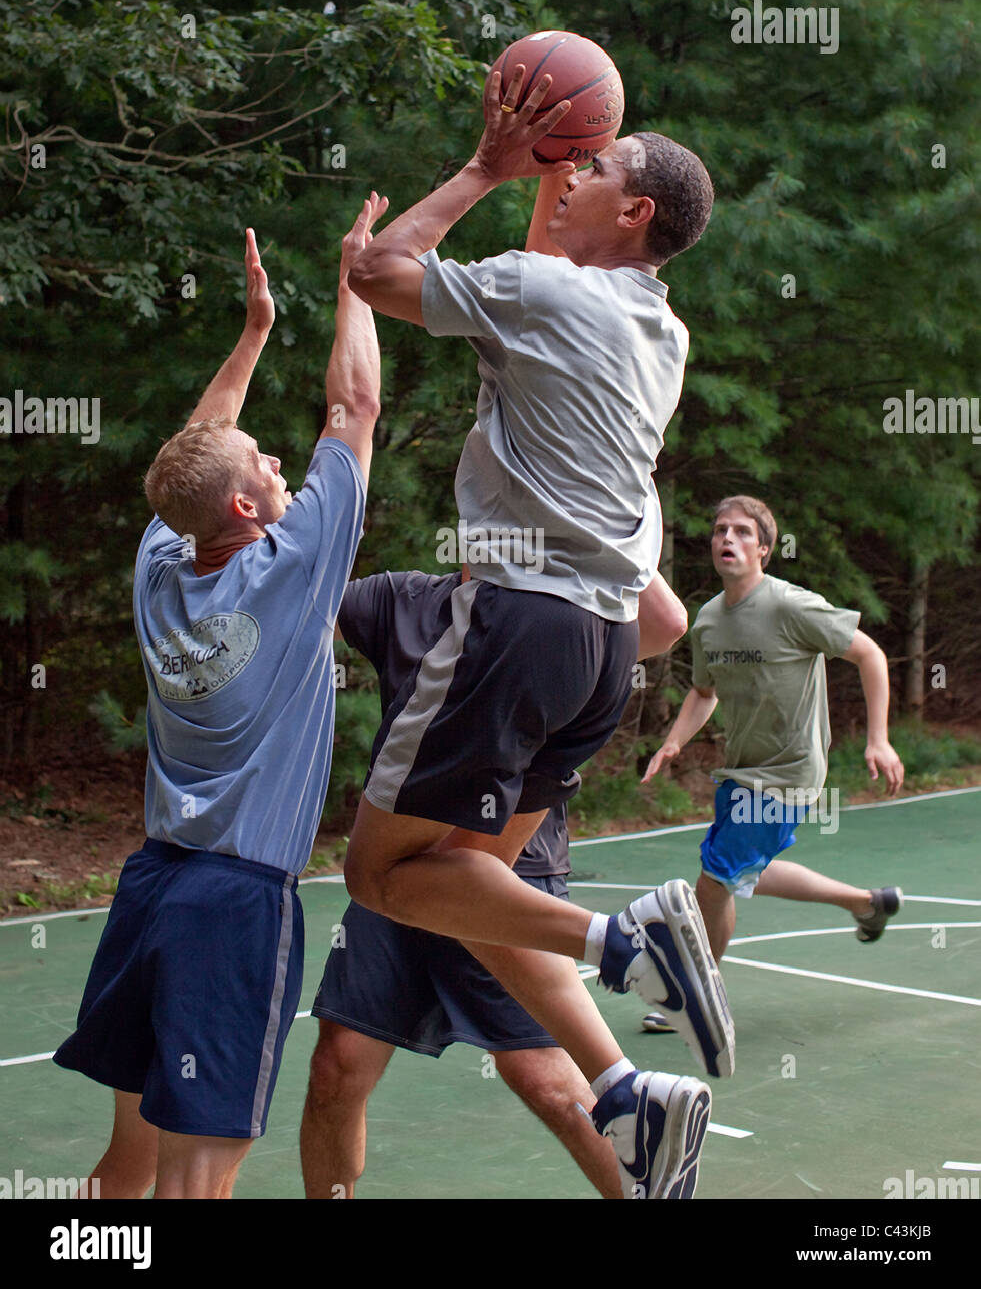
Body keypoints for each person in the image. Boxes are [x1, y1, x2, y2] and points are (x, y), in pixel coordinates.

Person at [342, 67, 730, 1199]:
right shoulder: (660, 327)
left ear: (637, 211)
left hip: (515, 621)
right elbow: (548, 270)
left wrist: (484, 168)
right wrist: (547, 180)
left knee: (381, 875)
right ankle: (627, 1097)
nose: (575, 173)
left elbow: (373, 273)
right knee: (467, 891)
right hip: (603, 652)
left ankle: (631, 942)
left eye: (595, 166)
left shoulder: (548, 296)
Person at [53, 197, 387, 1199]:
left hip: (150, 887)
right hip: (235, 901)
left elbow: (194, 452)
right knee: (200, 1180)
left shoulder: (164, 560)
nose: (281, 462)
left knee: (129, 1166)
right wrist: (353, 281)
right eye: (265, 465)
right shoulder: (291, 572)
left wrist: (252, 334)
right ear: (245, 506)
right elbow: (353, 410)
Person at [301, 567, 688, 1200]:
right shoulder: (403, 598)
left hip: (504, 868)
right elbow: (306, 582)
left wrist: (620, 503)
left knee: (550, 1085)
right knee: (336, 1070)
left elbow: (668, 623)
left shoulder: (563, 607)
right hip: (402, 864)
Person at [642, 495, 905, 1027]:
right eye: (720, 530)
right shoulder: (709, 621)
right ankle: (865, 903)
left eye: (741, 532)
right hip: (742, 770)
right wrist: (674, 740)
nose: (727, 539)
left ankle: (698, 999)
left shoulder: (791, 606)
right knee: (744, 873)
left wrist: (878, 738)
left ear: (764, 548)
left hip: (789, 771)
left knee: (714, 881)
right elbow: (703, 692)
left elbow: (870, 654)